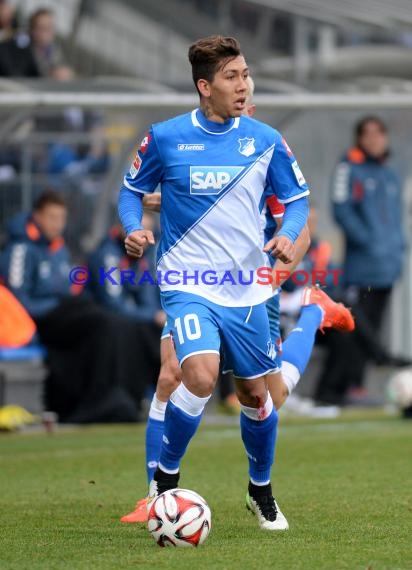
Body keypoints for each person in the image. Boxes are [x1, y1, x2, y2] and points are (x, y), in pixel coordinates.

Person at [118, 36, 354, 531]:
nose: (244, 84)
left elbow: (297, 208)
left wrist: (289, 240)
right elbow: (133, 189)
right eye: (232, 76)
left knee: (260, 395)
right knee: (189, 375)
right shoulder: (165, 137)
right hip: (188, 280)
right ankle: (162, 487)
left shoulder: (265, 141)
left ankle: (260, 488)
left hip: (251, 285)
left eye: (246, 74)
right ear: (205, 87)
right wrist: (135, 227)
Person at [0, 190, 153, 423]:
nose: (58, 225)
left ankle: (123, 397)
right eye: (52, 218)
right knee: (103, 320)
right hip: (41, 319)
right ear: (37, 217)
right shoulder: (21, 249)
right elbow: (17, 301)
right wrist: (56, 306)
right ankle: (97, 401)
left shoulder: (59, 249)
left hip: (64, 312)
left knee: (117, 325)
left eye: (61, 219)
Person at [324, 116, 407, 405]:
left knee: (372, 325)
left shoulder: (389, 172)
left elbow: (395, 219)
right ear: (359, 137)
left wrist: (396, 247)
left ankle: (356, 386)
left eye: (378, 133)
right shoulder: (349, 167)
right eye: (367, 133)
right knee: (356, 327)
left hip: (387, 266)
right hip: (362, 267)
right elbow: (341, 210)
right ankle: (339, 387)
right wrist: (369, 242)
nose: (373, 139)